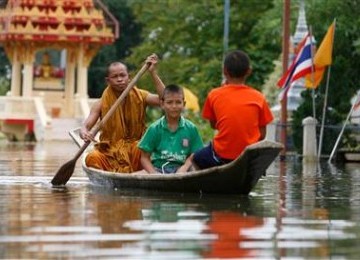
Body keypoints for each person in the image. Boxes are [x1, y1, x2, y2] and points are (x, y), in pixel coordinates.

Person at [79, 54, 165, 173]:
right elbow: (86, 126)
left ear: (128, 77)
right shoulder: (101, 103)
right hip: (110, 152)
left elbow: (164, 100)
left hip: (135, 148)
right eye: (115, 77)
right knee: (92, 157)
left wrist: (153, 73)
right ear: (108, 80)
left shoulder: (141, 95)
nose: (120, 79)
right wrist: (84, 132)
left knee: (142, 148)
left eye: (122, 75)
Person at [192, 50, 274, 169]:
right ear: (249, 71)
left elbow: (213, 125)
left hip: (221, 154)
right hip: (248, 155)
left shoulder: (214, 95)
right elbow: (262, 135)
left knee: (196, 158)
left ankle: (207, 184)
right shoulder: (259, 97)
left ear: (225, 71)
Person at [138, 84, 203, 174]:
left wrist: (184, 167)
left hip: (182, 170)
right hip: (158, 169)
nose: (174, 106)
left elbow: (195, 153)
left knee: (196, 169)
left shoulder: (191, 128)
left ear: (184, 104)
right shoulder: (154, 128)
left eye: (178, 102)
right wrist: (154, 174)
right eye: (169, 102)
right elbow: (144, 158)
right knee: (139, 174)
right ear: (162, 104)